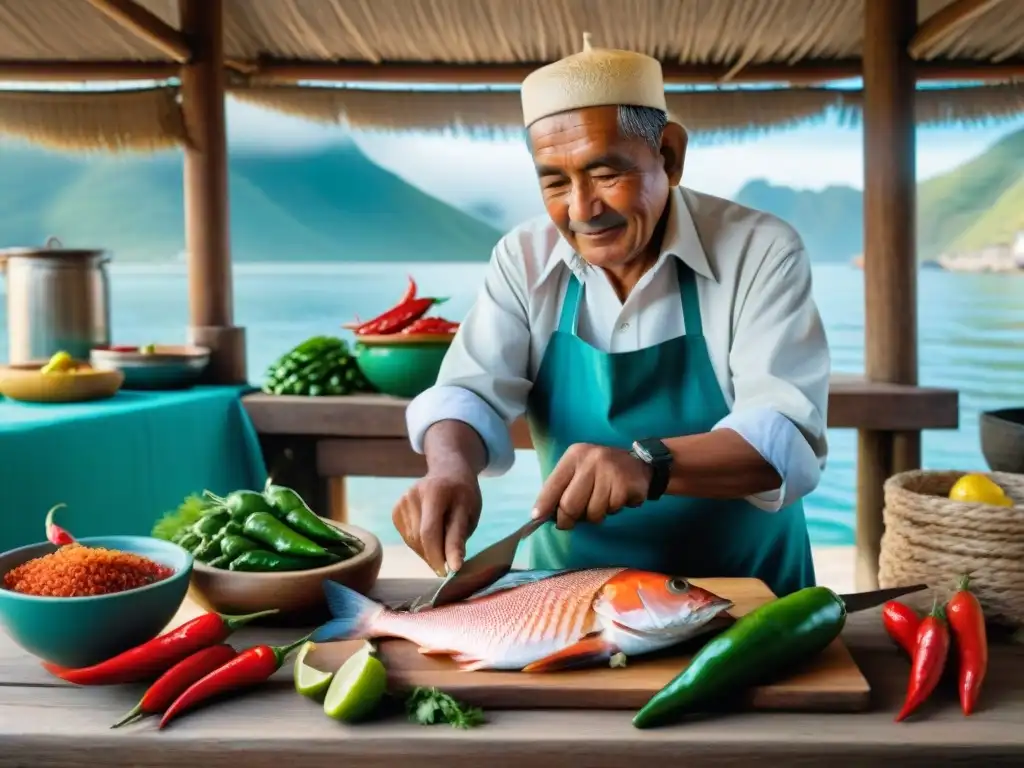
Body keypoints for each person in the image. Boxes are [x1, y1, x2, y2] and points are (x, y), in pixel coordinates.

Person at [391, 34, 830, 598]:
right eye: (554, 181)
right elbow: (468, 393)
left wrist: (648, 462)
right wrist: (449, 468)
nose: (581, 209)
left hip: (746, 593)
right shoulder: (521, 257)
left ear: (668, 155)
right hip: (570, 594)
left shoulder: (761, 249)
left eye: (605, 174)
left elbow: (785, 435)